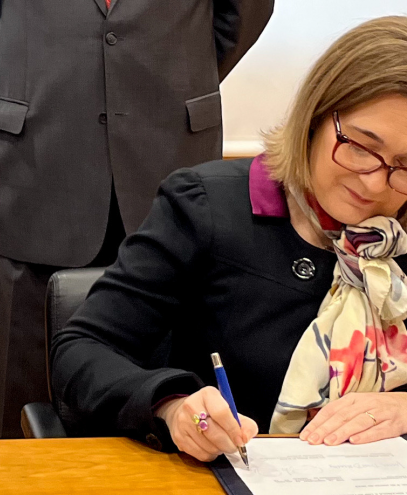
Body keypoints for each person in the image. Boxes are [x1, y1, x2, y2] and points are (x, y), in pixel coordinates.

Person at [52, 15, 407, 461]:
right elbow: (81, 350)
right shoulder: (207, 209)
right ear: (316, 115)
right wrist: (173, 405)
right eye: (360, 147)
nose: (374, 183)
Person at [0, 0, 274, 438]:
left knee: (173, 369)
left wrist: (171, 74)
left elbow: (242, 14)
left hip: (168, 142)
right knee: (24, 376)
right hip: (35, 152)